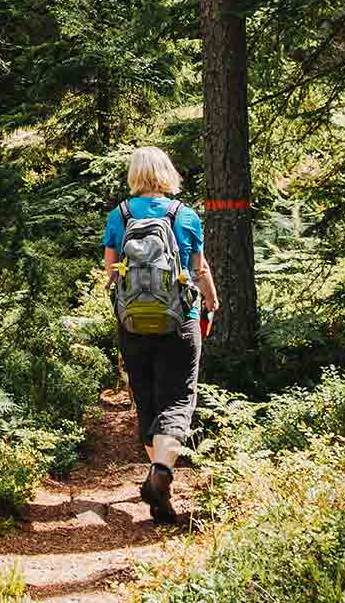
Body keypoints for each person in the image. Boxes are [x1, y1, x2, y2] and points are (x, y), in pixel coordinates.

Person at [102, 146, 220, 523]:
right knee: (180, 397)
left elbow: (111, 275)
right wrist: (212, 303)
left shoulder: (119, 216)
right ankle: (162, 474)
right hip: (179, 321)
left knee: (148, 399)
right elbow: (199, 270)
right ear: (167, 173)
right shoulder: (183, 215)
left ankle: (158, 487)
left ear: (134, 175)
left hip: (133, 324)